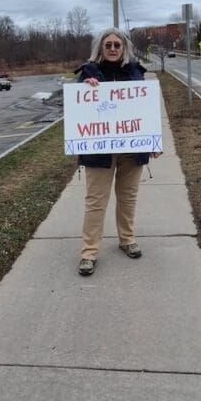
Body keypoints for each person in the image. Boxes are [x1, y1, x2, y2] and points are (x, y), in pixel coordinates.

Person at [76, 28, 160, 277]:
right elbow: (77, 107)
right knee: (95, 201)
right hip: (99, 151)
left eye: (117, 45)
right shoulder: (89, 73)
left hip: (132, 149)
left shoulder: (135, 72)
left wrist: (153, 140)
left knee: (128, 197)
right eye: (108, 45)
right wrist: (85, 87)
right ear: (100, 48)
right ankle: (88, 253)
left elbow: (147, 110)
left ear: (124, 48)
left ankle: (127, 239)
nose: (112, 49)